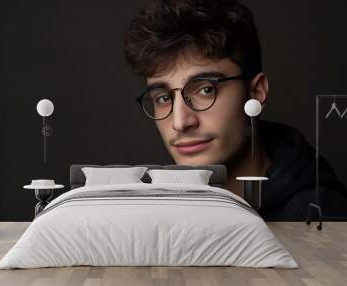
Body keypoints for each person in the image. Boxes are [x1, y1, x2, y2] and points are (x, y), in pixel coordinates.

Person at [123, 0, 347, 220]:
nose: (180, 122)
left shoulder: (320, 219)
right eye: (163, 98)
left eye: (206, 90)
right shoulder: (158, 215)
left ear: (256, 92)